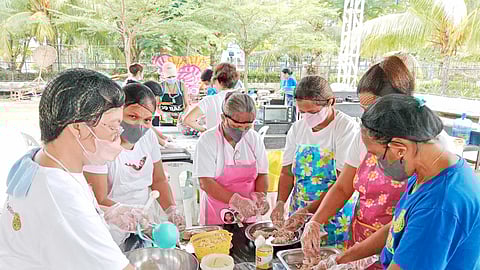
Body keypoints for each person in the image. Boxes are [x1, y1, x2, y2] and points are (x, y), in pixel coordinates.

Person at [297, 56, 456, 269]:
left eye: (372, 109)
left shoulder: (435, 164)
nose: (367, 118)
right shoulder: (369, 135)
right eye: (363, 110)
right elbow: (344, 186)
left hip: (401, 247)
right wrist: (317, 222)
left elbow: (410, 225)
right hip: (365, 237)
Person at [0, 69, 140, 269]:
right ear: (78, 129)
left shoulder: (39, 159)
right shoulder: (62, 196)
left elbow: (49, 216)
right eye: (112, 127)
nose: (119, 136)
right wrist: (87, 218)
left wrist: (104, 212)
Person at [329, 94, 480, 269]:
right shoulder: (427, 172)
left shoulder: (439, 205)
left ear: (400, 149)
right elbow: (399, 225)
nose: (377, 163)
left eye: (378, 155)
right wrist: (343, 259)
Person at [83, 83, 185, 248]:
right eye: (132, 116)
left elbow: (158, 180)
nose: (139, 125)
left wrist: (171, 210)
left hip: (145, 223)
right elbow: (98, 199)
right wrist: (124, 213)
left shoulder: (149, 137)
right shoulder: (102, 145)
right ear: (118, 113)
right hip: (111, 226)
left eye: (146, 120)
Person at [270, 76, 359, 249]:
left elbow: (342, 185)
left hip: (334, 213)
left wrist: (309, 213)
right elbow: (286, 172)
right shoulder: (297, 129)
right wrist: (280, 202)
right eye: (302, 112)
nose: (307, 117)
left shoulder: (346, 128)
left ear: (330, 102)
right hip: (299, 208)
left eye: (313, 112)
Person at [193, 92, 270, 225]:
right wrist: (236, 201)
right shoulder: (208, 140)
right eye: (236, 126)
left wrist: (261, 196)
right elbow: (205, 182)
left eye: (247, 127)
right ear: (223, 118)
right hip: (217, 216)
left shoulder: (254, 138)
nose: (241, 131)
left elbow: (262, 174)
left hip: (249, 215)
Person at [183, 63, 239, 132]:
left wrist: (206, 131)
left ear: (218, 81)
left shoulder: (209, 100)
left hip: (213, 140)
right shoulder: (246, 100)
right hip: (238, 141)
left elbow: (188, 120)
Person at [143, 80, 175, 146]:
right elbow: (145, 128)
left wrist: (163, 137)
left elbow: (149, 126)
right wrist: (163, 143)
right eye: (156, 97)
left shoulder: (147, 105)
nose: (157, 101)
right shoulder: (140, 106)